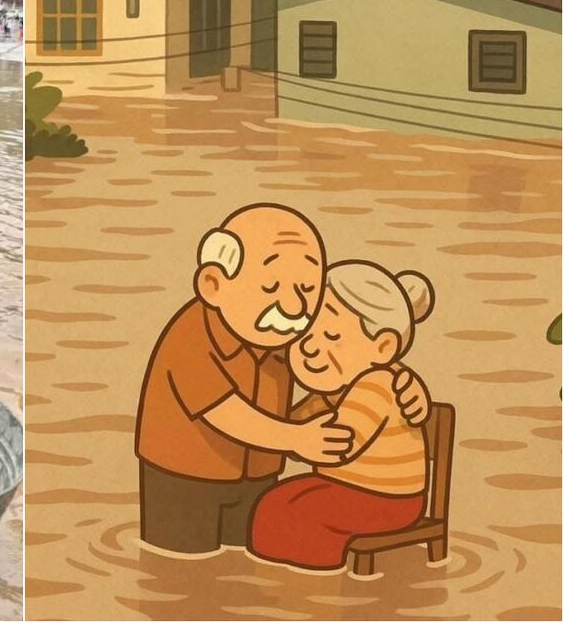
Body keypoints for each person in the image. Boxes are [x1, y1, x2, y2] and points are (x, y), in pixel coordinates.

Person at [134, 204, 431, 555]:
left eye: (306, 289)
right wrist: (296, 437)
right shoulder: (192, 336)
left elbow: (347, 378)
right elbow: (224, 412)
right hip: (186, 477)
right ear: (214, 285)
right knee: (181, 565)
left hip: (257, 476)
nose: (293, 307)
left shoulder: (288, 336)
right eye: (272, 286)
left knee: (252, 552)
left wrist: (403, 382)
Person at [249, 262, 434, 570]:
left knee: (296, 512)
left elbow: (342, 441)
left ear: (383, 346)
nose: (309, 346)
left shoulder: (378, 383)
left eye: (331, 334)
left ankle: (321, 577)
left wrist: (300, 439)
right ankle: (288, 574)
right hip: (343, 488)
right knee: (274, 503)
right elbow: (297, 422)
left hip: (387, 499)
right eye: (308, 331)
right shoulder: (335, 388)